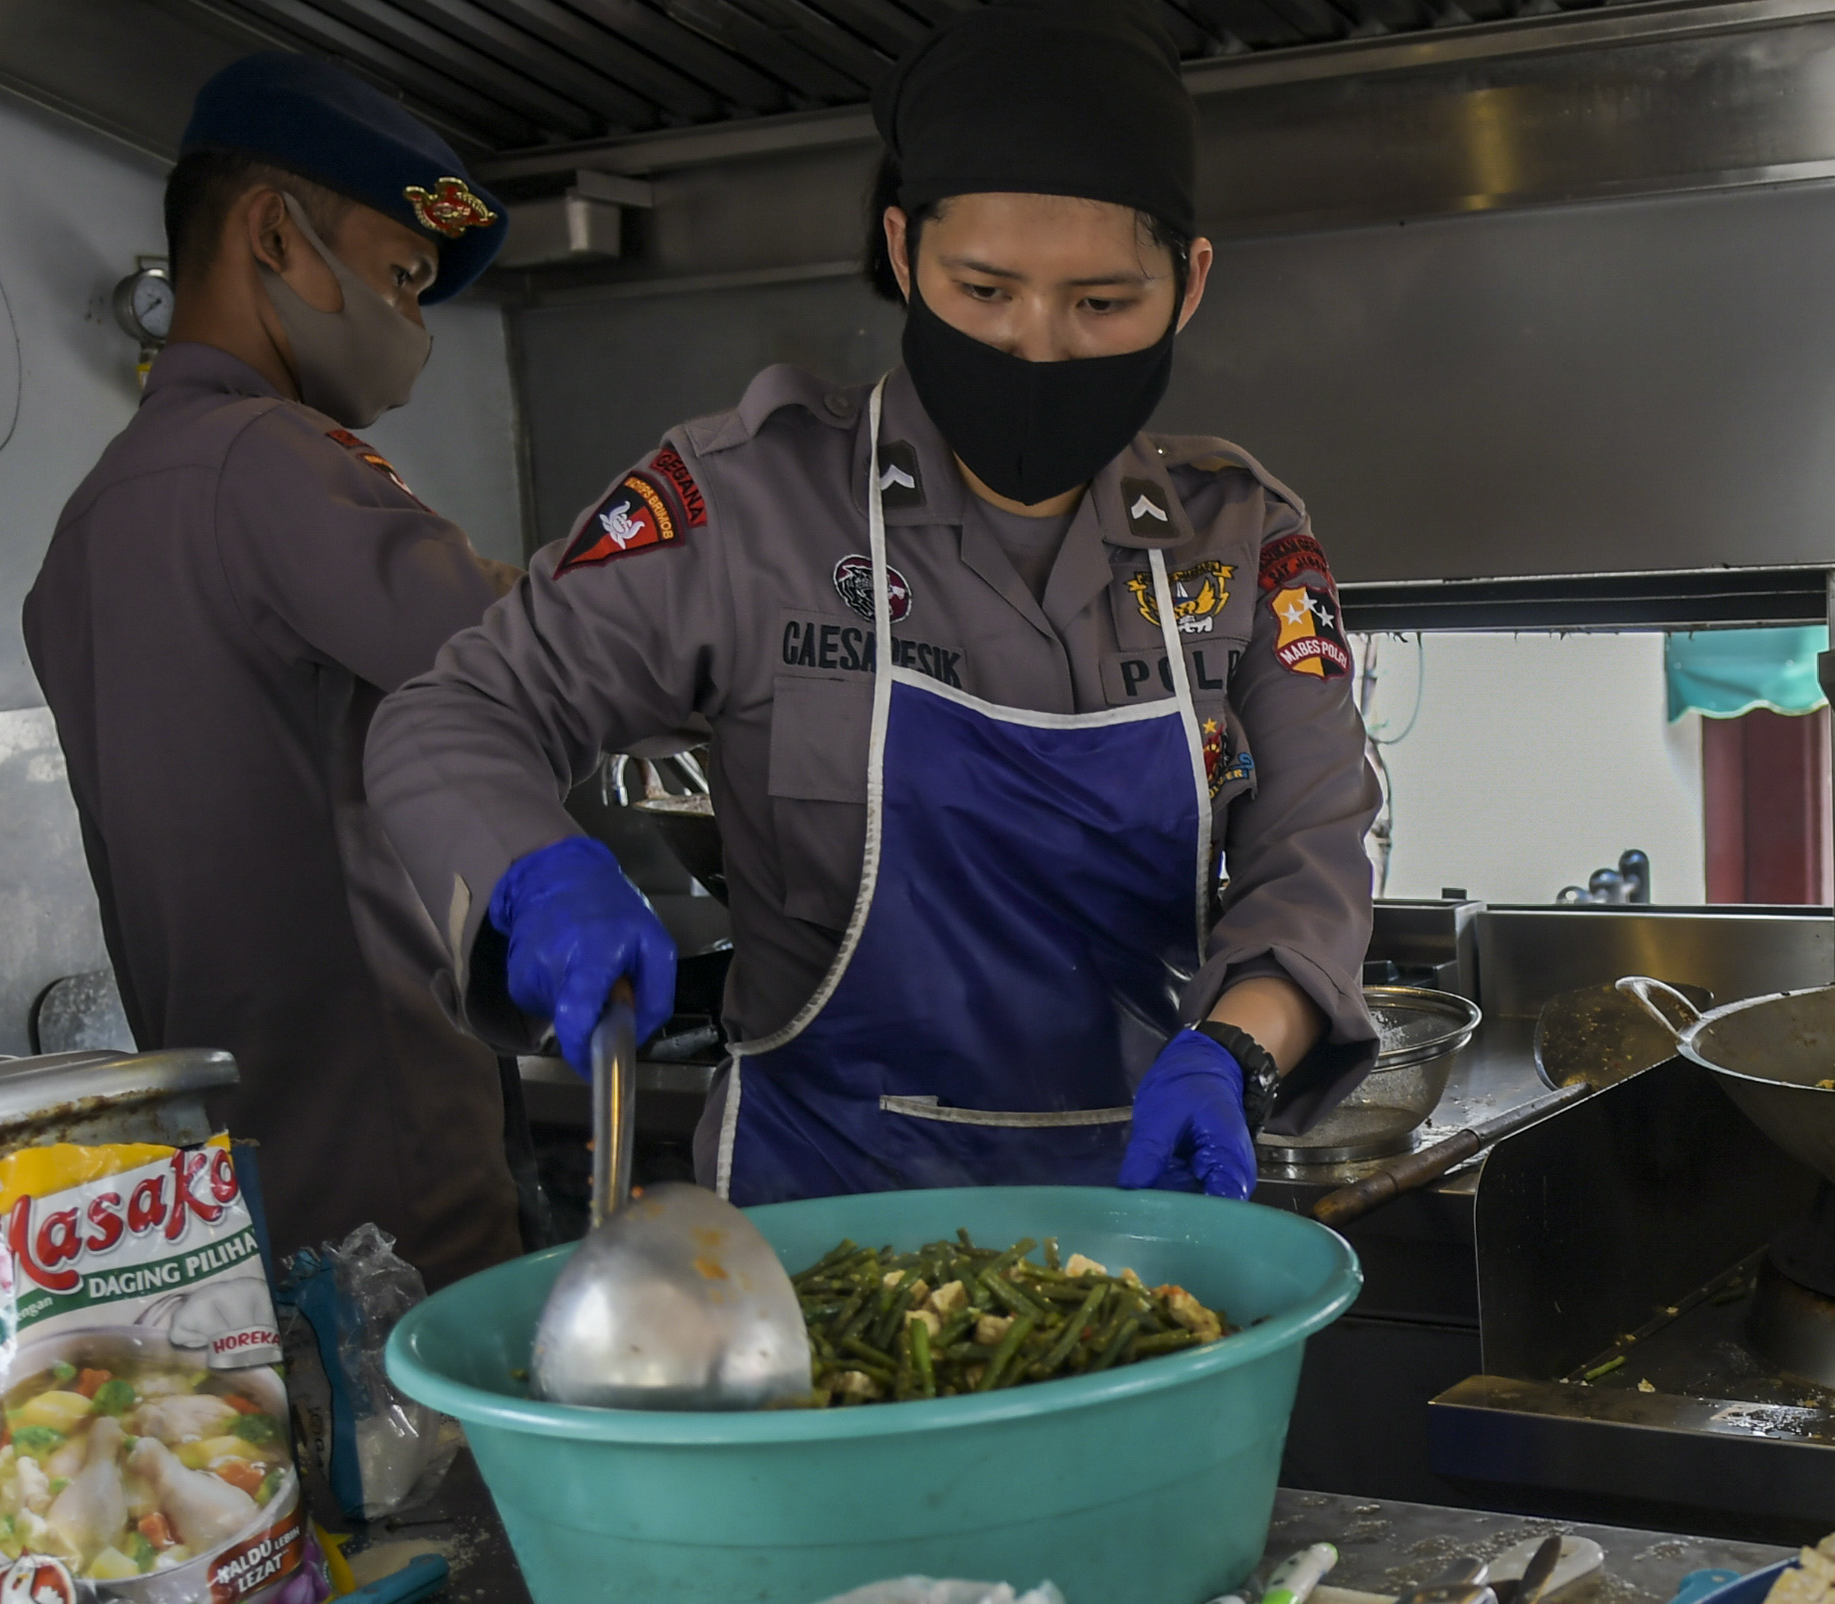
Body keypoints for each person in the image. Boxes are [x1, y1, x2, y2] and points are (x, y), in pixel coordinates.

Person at [368, 0, 1378, 1203]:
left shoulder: (1244, 536)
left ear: (1189, 283)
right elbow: (457, 712)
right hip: (816, 1230)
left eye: (1102, 304)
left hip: (1141, 1220)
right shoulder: (742, 502)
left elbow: (1311, 848)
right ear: (904, 255)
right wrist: (534, 870)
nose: (1037, 346)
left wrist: (1232, 1050)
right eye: (984, 290)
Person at [26, 56, 526, 1283]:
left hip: (247, 1174)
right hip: (392, 1164)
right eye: (403, 277)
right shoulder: (267, 457)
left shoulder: (97, 516)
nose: (411, 324)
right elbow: (535, 658)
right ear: (272, 234)